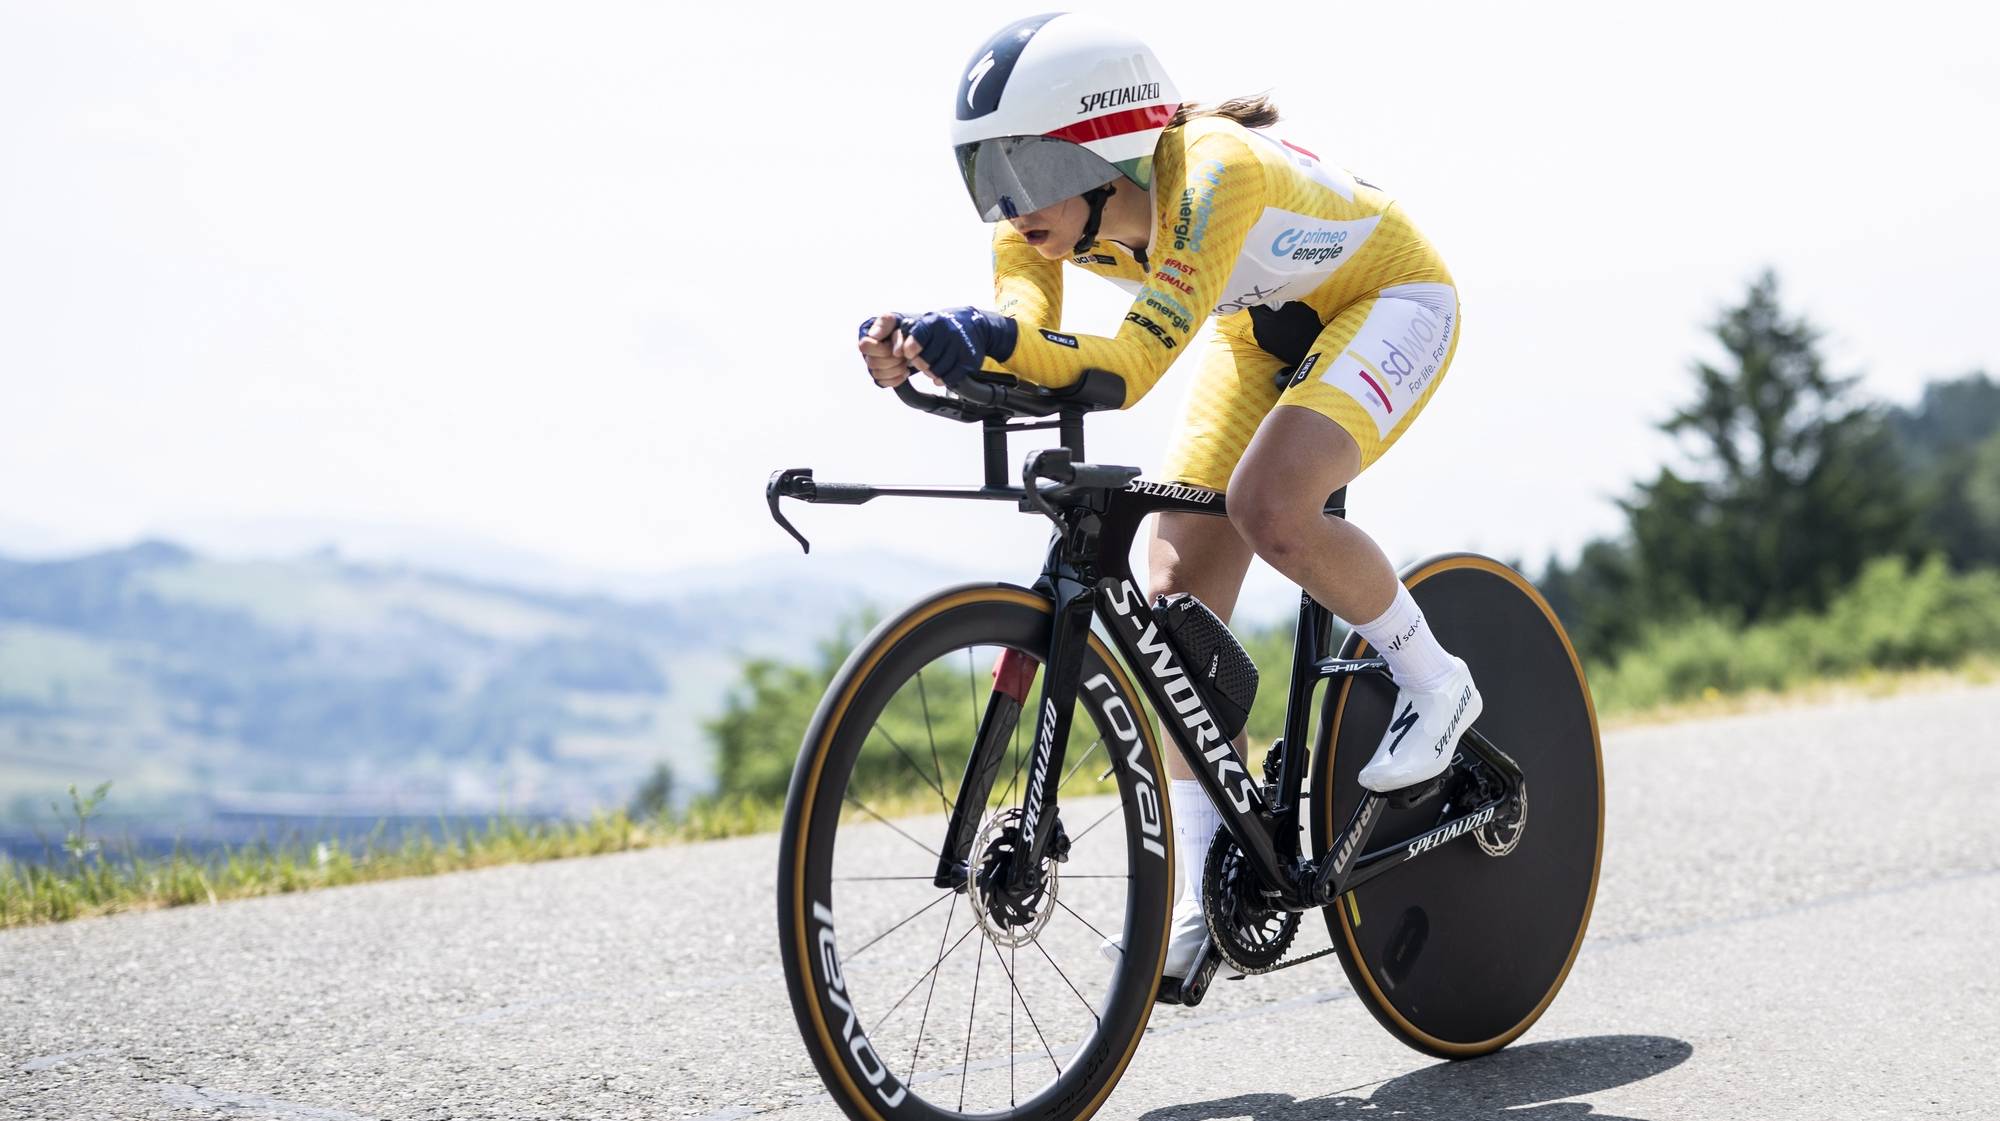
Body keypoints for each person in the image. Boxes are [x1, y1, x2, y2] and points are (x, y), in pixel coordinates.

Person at [857, 12, 1481, 980]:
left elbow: (1133, 362)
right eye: (981, 173)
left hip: (1386, 299)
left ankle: (1434, 678)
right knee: (1169, 600)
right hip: (1257, 332)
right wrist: (941, 348)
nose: (1003, 201)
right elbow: (1028, 330)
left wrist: (980, 339)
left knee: (1268, 507)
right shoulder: (1040, 220)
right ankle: (1207, 889)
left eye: (1016, 167)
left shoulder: (1212, 175)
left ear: (1101, 150)